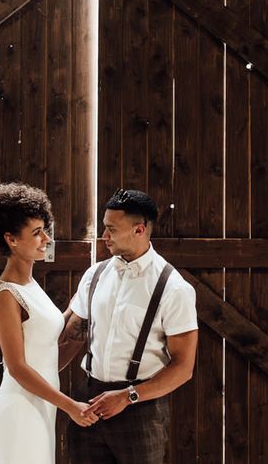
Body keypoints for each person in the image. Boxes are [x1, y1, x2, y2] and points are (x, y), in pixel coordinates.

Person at [59, 189, 198, 464]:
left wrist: (128, 396)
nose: (104, 237)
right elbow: (71, 334)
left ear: (139, 230)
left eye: (111, 229)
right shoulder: (95, 275)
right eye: (104, 228)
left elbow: (183, 368)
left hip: (141, 410)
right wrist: (36, 377)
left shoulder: (173, 288)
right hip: (88, 402)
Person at [0, 182, 97, 464]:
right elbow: (17, 367)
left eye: (45, 230)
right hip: (18, 412)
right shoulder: (7, 295)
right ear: (11, 239)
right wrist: (70, 407)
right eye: (36, 233)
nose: (46, 238)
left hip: (41, 407)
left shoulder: (31, 284)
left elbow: (46, 352)